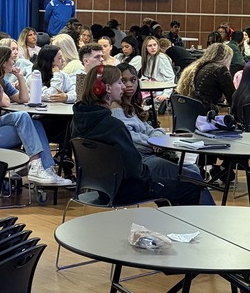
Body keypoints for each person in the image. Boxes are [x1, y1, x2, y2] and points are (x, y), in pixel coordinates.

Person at [71, 64, 211, 206]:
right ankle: (200, 226)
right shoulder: (113, 126)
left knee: (171, 183)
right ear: (106, 88)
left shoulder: (78, 120)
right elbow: (135, 170)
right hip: (125, 190)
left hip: (101, 187)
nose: (123, 87)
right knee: (192, 189)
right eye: (119, 82)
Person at [0, 45, 70, 187]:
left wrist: (19, 76)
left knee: (30, 120)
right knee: (26, 122)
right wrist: (0, 100)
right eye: (11, 60)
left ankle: (45, 168)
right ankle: (38, 166)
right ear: (2, 62)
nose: (14, 62)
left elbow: (23, 99)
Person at [176, 42, 234, 110]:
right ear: (226, 57)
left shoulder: (195, 67)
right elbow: (232, 98)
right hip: (205, 114)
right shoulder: (221, 69)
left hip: (188, 111)